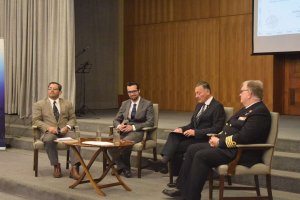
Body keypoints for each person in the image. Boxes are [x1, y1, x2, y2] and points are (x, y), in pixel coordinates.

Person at [162, 80, 272, 200]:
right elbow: (228, 129)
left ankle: (191, 196)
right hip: (230, 148)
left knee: (201, 155)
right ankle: (182, 190)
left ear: (249, 93)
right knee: (192, 148)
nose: (239, 94)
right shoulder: (246, 109)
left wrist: (220, 142)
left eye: (242, 91)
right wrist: (217, 137)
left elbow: (244, 137)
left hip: (241, 152)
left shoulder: (259, 112)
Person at [149, 81, 225, 174]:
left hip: (205, 139)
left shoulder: (217, 106)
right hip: (194, 137)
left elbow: (217, 128)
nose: (196, 96)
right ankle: (165, 163)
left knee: (176, 147)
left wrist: (196, 132)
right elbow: (192, 125)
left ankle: (168, 167)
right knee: (174, 135)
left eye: (199, 93)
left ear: (208, 92)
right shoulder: (199, 105)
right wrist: (181, 128)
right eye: (195, 93)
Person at [32, 82, 80, 179]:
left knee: (75, 139)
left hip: (64, 132)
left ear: (60, 92)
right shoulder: (39, 104)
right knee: (49, 139)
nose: (51, 91)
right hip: (49, 132)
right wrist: (48, 128)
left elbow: (73, 119)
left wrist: (67, 127)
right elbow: (35, 120)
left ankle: (74, 168)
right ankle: (56, 165)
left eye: (54, 89)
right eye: (50, 88)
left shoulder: (67, 103)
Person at [109, 82, 154, 178]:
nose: (132, 94)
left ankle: (126, 168)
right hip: (124, 130)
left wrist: (133, 127)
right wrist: (119, 126)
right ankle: (122, 166)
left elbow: (150, 122)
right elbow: (116, 119)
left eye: (134, 91)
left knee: (125, 142)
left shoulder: (147, 104)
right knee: (109, 141)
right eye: (129, 92)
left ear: (139, 91)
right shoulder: (125, 103)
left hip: (139, 131)